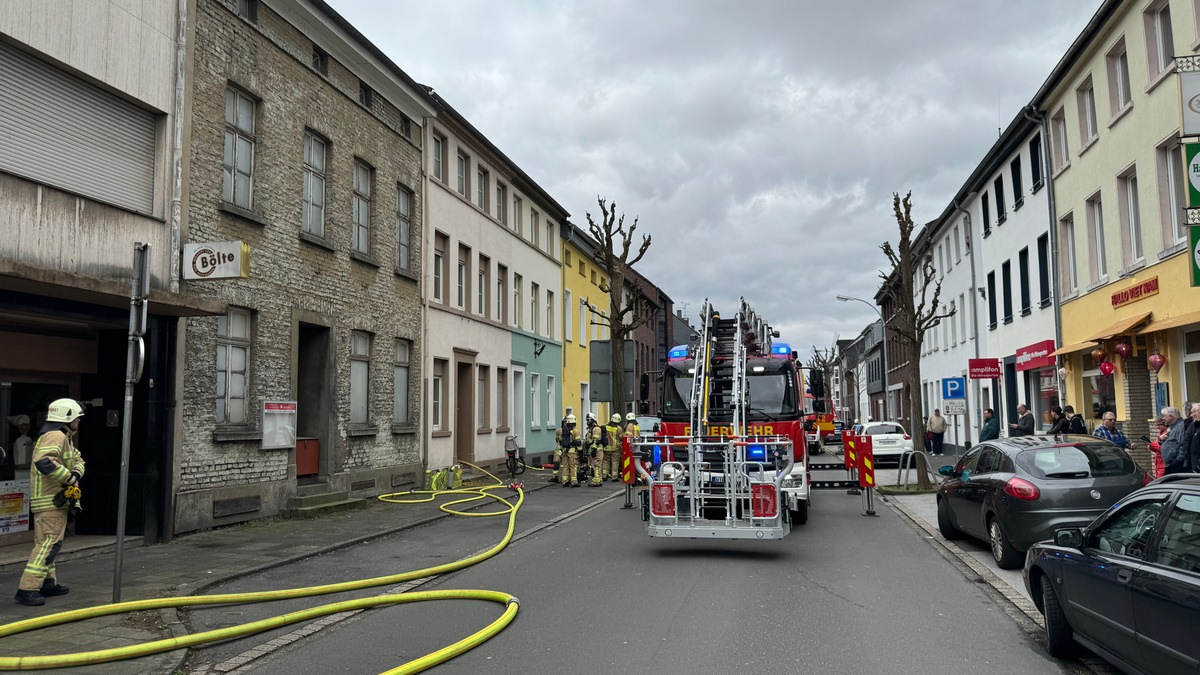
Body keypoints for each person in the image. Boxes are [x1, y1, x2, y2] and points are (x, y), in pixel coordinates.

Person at [15, 398, 85, 607]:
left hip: (54, 502)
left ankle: (48, 582)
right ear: (67, 418)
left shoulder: (63, 437)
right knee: (48, 545)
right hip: (50, 502)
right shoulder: (56, 436)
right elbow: (44, 461)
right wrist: (70, 478)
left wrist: (75, 473)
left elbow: (79, 460)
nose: (78, 422)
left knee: (50, 544)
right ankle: (27, 588)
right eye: (77, 418)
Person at [554, 413, 582, 488]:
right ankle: (574, 482)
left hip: (564, 451)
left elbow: (558, 440)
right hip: (572, 452)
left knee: (565, 466)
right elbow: (578, 443)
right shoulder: (575, 431)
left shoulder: (561, 431)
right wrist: (580, 451)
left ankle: (565, 481)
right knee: (573, 466)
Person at [1160, 406, 1188, 475]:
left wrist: (1178, 461)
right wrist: (1161, 440)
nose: (1163, 418)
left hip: (1176, 466)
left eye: (1164, 416)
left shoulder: (1180, 426)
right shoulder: (1171, 426)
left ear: (1171, 416)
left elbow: (1183, 444)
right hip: (1169, 465)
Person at [600, 413, 623, 484]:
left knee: (605, 461)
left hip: (606, 448)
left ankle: (604, 475)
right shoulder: (618, 428)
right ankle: (614, 476)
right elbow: (621, 437)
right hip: (615, 448)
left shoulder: (606, 427)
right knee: (615, 462)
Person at [585, 413, 604, 487]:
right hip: (595, 450)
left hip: (597, 450)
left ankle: (596, 481)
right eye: (587, 420)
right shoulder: (591, 429)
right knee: (596, 465)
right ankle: (599, 479)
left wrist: (593, 449)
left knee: (596, 465)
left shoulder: (596, 429)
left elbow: (596, 440)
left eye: (589, 420)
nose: (587, 422)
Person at [621, 413, 641, 483]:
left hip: (631, 446)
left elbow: (628, 437)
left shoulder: (630, 425)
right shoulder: (637, 426)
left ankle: (630, 475)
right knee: (636, 461)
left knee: (630, 461)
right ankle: (637, 473)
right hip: (637, 446)